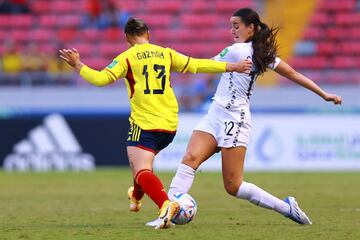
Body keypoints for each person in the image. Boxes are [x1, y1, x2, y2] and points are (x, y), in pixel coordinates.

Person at [149, 8, 342, 227]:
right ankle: (167, 213)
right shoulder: (252, 52)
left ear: (251, 27)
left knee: (233, 186)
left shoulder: (244, 51)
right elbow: (294, 74)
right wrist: (324, 94)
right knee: (189, 159)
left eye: (236, 25)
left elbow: (293, 74)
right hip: (215, 113)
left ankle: (287, 208)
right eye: (231, 25)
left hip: (236, 119)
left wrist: (324, 94)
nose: (232, 30)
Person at [59, 17, 252, 229]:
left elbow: (100, 80)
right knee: (142, 167)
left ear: (127, 38)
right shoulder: (166, 53)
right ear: (148, 34)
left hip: (145, 122)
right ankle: (136, 198)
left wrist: (77, 64)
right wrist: (232, 66)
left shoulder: (127, 57)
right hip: (169, 125)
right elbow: (197, 65)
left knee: (140, 168)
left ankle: (166, 205)